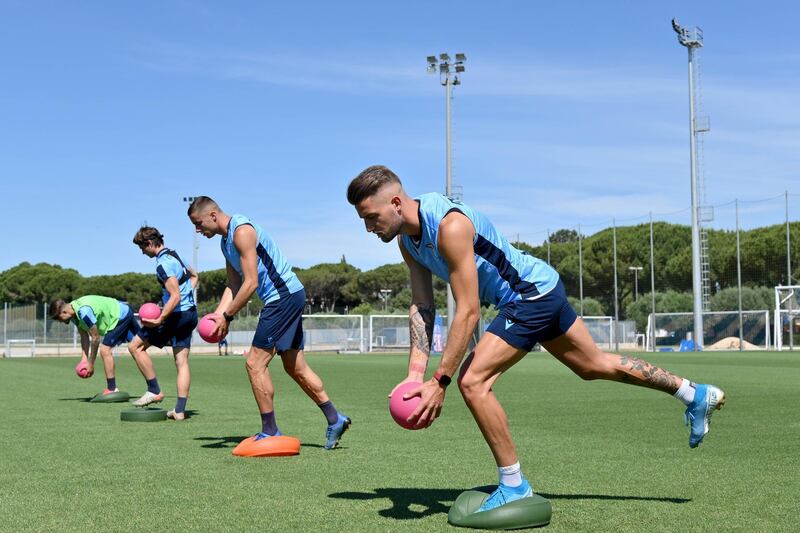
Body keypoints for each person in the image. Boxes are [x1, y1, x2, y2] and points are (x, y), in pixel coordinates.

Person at [347, 165, 726, 512]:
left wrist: (438, 382)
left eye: (372, 218)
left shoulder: (449, 226)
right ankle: (692, 393)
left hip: (529, 295)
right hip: (541, 287)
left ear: (396, 202)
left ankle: (514, 485)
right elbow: (422, 305)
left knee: (471, 381)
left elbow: (468, 311)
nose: (369, 228)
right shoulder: (407, 242)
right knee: (592, 366)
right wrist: (416, 375)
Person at [186, 196, 351, 449]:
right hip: (287, 296)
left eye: (199, 223)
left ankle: (270, 430)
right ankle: (335, 418)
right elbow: (234, 284)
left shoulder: (242, 231)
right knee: (295, 367)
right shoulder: (224, 242)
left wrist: (228, 316)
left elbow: (250, 282)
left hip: (282, 297)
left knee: (254, 363)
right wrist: (219, 315)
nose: (198, 230)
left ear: (213, 215)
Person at [132, 226, 199, 420]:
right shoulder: (176, 255)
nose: (142, 252)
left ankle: (154, 390)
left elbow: (175, 296)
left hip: (175, 316)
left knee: (135, 346)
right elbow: (194, 276)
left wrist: (160, 319)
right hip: (190, 314)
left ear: (150, 243)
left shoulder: (162, 265)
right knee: (182, 361)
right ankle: (179, 410)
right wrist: (187, 294)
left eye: (142, 248)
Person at [49, 295, 162, 401]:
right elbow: (84, 336)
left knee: (105, 349)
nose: (62, 322)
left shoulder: (84, 312)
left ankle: (112, 388)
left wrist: (90, 364)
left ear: (64, 311)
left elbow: (95, 338)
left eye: (60, 319)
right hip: (123, 311)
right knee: (140, 347)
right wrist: (84, 359)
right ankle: (154, 388)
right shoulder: (74, 314)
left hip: (119, 316)